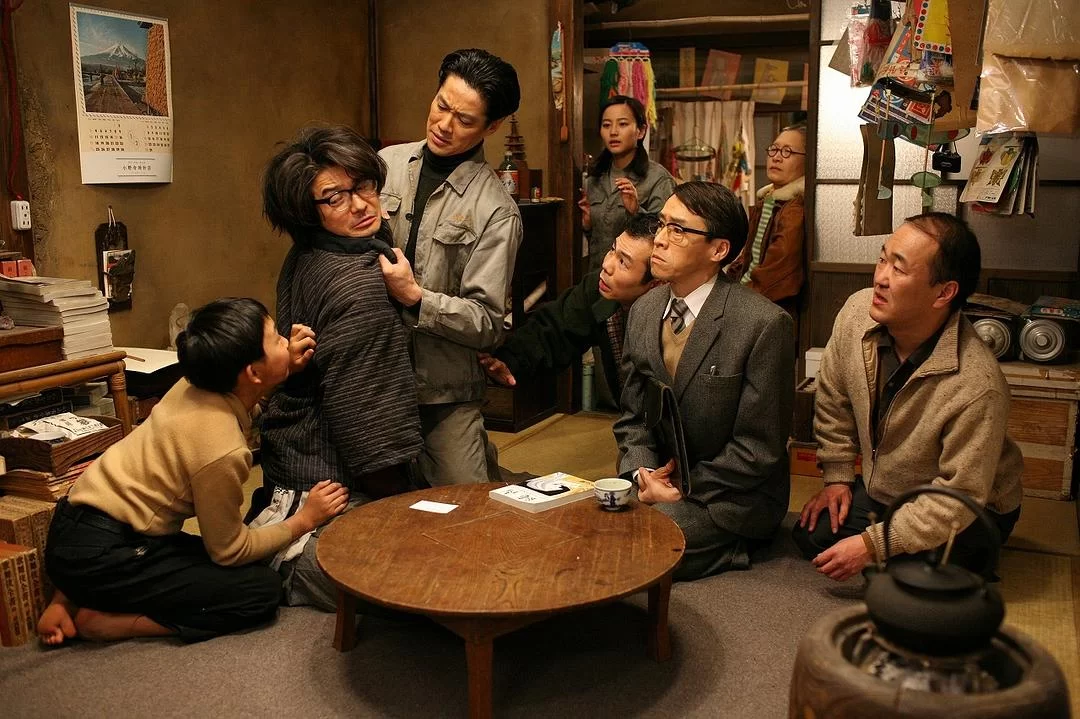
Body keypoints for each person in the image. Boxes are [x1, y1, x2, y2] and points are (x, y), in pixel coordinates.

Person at [37, 298, 347, 645]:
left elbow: (244, 403)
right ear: (253, 373)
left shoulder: (195, 381)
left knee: (208, 567)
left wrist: (282, 367)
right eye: (276, 338)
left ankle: (67, 597)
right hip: (105, 557)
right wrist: (303, 520)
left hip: (76, 527)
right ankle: (108, 621)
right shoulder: (223, 451)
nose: (287, 343)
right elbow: (229, 550)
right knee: (260, 590)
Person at [793, 213, 1023, 582]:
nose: (880, 278)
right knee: (812, 536)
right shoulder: (856, 313)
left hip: (971, 508)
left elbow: (959, 495)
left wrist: (872, 545)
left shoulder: (977, 383)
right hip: (889, 490)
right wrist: (838, 477)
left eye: (898, 269)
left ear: (944, 292)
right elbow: (834, 397)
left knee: (910, 580)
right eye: (882, 259)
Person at [257, 125, 424, 611]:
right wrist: (405, 507)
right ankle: (287, 563)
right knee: (431, 572)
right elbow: (368, 425)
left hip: (292, 460)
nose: (360, 205)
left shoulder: (316, 250)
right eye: (335, 197)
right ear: (306, 211)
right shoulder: (359, 286)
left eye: (364, 186)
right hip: (327, 478)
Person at [614, 181, 795, 581]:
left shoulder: (763, 324)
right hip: (657, 483)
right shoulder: (644, 310)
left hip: (730, 496)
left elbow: (758, 448)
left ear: (718, 250)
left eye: (678, 230)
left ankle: (735, 547)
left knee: (640, 548)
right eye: (662, 224)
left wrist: (681, 487)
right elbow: (632, 418)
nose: (660, 240)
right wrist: (641, 473)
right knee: (594, 527)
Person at [378, 48, 523, 486]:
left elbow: (488, 323)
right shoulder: (386, 165)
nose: (444, 125)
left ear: (491, 127)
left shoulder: (496, 210)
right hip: (375, 376)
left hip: (444, 391)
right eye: (442, 105)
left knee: (468, 505)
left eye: (464, 120)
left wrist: (416, 298)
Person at [478, 211, 661, 399]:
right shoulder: (601, 289)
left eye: (623, 262)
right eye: (612, 250)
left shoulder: (670, 316)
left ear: (655, 284)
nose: (607, 265)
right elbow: (556, 329)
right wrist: (510, 361)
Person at [580, 95, 676, 272]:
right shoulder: (594, 178)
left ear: (641, 131)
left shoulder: (657, 178)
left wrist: (636, 211)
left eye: (622, 124)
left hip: (636, 280)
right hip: (598, 275)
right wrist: (588, 225)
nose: (613, 132)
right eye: (606, 125)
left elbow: (666, 237)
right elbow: (597, 238)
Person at [725, 124, 806, 311]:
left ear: (807, 161)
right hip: (748, 296)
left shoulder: (794, 208)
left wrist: (735, 301)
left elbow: (776, 271)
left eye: (787, 152)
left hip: (767, 307)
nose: (776, 157)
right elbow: (748, 257)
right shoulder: (769, 199)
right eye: (774, 149)